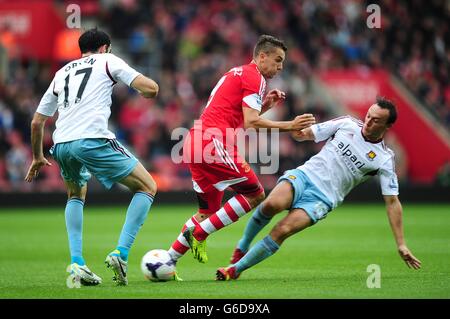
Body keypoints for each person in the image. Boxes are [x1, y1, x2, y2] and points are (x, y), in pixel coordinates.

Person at [216, 97, 422, 280]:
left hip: (323, 199)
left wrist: (401, 243)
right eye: (368, 115)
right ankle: (242, 246)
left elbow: (392, 202)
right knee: (272, 204)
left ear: (388, 125)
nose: (368, 121)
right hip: (306, 175)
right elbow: (305, 135)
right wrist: (297, 130)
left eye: (376, 120)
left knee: (282, 230)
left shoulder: (384, 159)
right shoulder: (346, 124)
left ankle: (234, 270)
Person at [24, 28, 159, 287]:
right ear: (105, 47)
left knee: (75, 195)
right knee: (148, 186)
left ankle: (77, 263)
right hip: (92, 139)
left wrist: (37, 156)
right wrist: (151, 90)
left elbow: (37, 121)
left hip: (62, 144)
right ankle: (121, 253)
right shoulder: (108, 60)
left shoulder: (61, 72)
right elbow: (148, 88)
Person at [167, 35, 316, 267]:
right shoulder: (255, 76)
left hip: (196, 140)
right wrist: (290, 125)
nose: (280, 67)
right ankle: (198, 234)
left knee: (207, 212)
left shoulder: (237, 72)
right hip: (213, 141)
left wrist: (265, 105)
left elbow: (239, 118)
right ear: (262, 56)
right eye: (277, 60)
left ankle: (166, 261)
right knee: (255, 194)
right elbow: (251, 123)